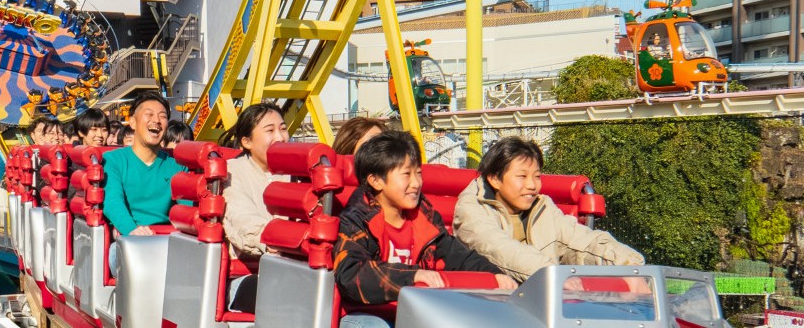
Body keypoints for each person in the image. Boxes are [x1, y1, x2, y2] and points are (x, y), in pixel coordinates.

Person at [334, 131, 515, 323]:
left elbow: (458, 256)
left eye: (418, 173)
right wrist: (412, 276)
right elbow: (351, 273)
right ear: (376, 181)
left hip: (412, 313)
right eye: (406, 174)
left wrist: (495, 275)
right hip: (366, 314)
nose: (416, 183)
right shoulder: (357, 220)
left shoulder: (425, 221)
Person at [452, 137, 643, 283]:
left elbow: (580, 241)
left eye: (537, 176)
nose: (532, 185)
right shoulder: (472, 209)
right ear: (495, 179)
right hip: (490, 303)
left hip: (541, 298)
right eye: (522, 176)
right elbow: (498, 248)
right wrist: (556, 278)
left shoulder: (542, 207)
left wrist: (629, 266)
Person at [219, 103, 291, 312]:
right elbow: (241, 221)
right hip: (248, 276)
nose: (280, 137)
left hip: (298, 270)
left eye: (283, 128)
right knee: (287, 295)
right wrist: (285, 241)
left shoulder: (298, 172)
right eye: (270, 131)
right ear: (246, 141)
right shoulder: (231, 172)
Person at [102, 92, 186, 236]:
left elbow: (187, 211)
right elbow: (112, 201)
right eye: (149, 114)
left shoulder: (177, 166)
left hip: (167, 239)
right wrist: (131, 230)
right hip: (128, 237)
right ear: (133, 122)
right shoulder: (113, 160)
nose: (157, 121)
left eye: (163, 116)